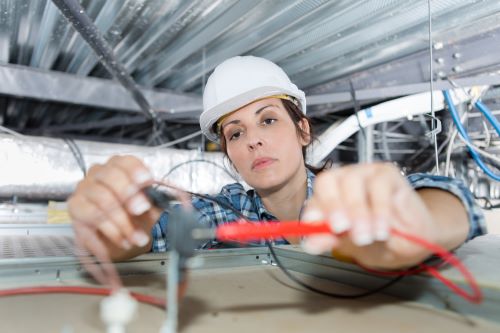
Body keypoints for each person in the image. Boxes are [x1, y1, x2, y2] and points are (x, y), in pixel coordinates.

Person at [68, 56, 486, 270]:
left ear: (303, 130)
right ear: (229, 154)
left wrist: (422, 224)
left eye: (268, 119)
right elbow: (146, 235)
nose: (254, 140)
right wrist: (114, 224)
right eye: (235, 133)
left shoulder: (348, 195)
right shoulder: (224, 213)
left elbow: (453, 199)